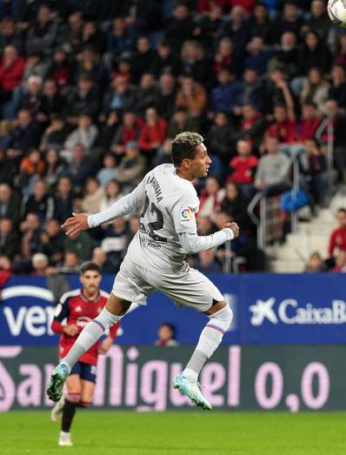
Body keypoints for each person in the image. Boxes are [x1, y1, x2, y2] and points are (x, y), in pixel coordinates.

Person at [46, 133, 240, 411]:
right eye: (203, 156)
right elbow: (190, 244)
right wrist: (226, 234)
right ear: (186, 163)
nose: (209, 160)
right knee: (223, 314)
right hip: (165, 266)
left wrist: (92, 219)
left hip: (136, 254)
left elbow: (128, 203)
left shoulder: (158, 172)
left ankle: (65, 365)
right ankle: (189, 375)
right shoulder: (187, 195)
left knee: (106, 316)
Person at [49, 262, 118, 447]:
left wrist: (110, 339)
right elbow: (54, 324)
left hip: (92, 351)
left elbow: (116, 320)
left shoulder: (107, 300)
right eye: (87, 278)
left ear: (100, 278)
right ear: (81, 279)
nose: (91, 281)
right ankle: (64, 435)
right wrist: (65, 327)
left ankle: (63, 402)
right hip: (70, 349)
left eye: (95, 277)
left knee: (85, 400)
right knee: (75, 393)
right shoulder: (70, 298)